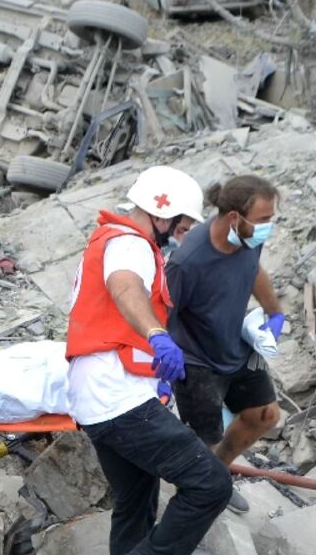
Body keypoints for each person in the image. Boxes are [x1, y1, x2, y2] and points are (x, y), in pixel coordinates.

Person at [65, 166, 232, 555]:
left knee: (136, 504)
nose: (182, 236)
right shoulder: (130, 245)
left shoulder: (116, 241)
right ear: (161, 214)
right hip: (116, 397)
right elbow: (125, 286)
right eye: (181, 227)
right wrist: (157, 335)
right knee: (211, 484)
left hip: (99, 396)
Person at [165, 174, 283, 514]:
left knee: (265, 414)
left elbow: (253, 269)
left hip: (235, 343)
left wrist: (275, 312)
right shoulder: (189, 262)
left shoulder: (247, 238)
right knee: (205, 436)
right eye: (264, 219)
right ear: (234, 217)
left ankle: (216, 471)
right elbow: (165, 313)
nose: (268, 227)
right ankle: (199, 492)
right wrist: (164, 361)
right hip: (196, 357)